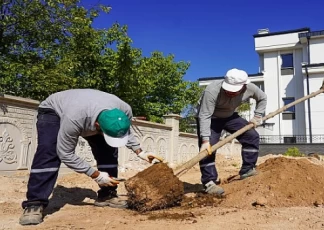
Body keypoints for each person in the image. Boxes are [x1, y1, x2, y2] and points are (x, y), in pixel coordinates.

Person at [19, 89, 162, 226]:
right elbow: (65, 153)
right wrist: (96, 174)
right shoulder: (74, 118)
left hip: (89, 108)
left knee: (108, 150)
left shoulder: (124, 110)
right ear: (97, 125)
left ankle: (107, 195)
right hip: (53, 111)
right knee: (49, 151)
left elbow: (122, 129)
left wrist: (140, 152)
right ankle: (34, 203)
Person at [196, 68, 267, 195]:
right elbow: (204, 115)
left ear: (244, 86)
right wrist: (205, 140)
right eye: (228, 89)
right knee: (208, 149)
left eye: (234, 91)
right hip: (210, 118)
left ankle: (247, 170)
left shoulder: (250, 88)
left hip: (230, 116)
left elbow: (262, 98)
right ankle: (209, 183)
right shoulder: (212, 90)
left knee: (252, 136)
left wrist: (257, 116)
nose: (230, 93)